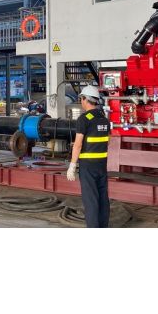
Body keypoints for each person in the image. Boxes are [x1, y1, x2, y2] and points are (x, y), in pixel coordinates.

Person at [66, 85, 110, 228]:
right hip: (101, 164)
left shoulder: (84, 119)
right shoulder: (104, 119)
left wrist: (72, 166)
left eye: (82, 99)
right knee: (103, 197)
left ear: (85, 99)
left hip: (88, 166)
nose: (81, 101)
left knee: (91, 199)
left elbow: (78, 145)